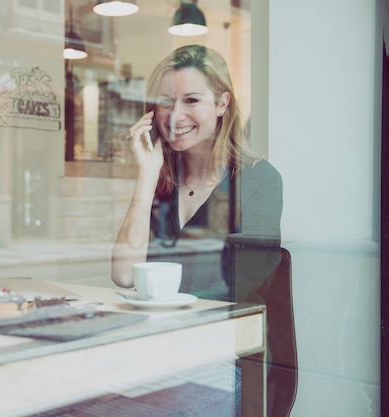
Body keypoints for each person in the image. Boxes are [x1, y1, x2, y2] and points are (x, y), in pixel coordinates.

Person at [111, 44, 282, 303]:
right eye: (166, 102)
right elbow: (124, 276)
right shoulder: (161, 180)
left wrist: (165, 306)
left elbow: (234, 289)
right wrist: (146, 175)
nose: (175, 116)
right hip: (161, 333)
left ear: (222, 104)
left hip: (227, 336)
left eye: (191, 100)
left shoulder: (260, 180)